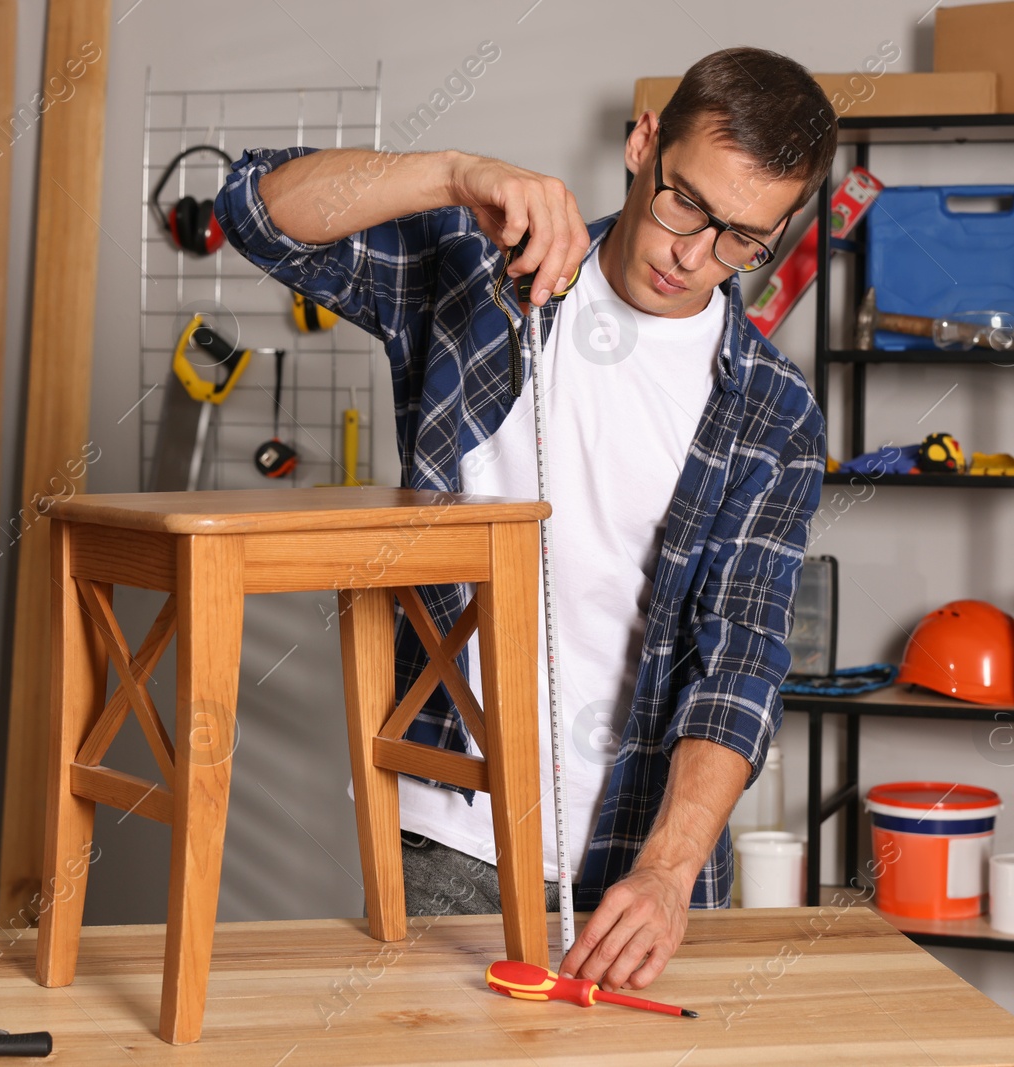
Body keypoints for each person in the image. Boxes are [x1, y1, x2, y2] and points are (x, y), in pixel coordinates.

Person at [214, 47, 833, 993]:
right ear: (643, 144)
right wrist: (454, 175)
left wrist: (665, 872)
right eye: (685, 205)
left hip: (647, 869)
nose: (692, 256)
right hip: (454, 842)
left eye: (742, 239)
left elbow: (739, 662)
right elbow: (254, 211)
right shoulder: (484, 281)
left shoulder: (772, 413)